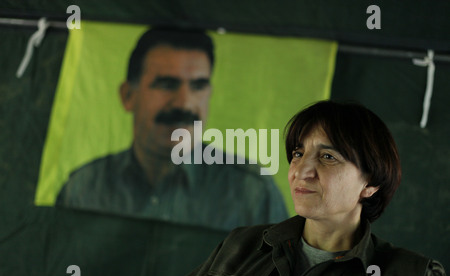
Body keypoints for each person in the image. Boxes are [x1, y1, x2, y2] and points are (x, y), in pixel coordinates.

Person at [154, 100, 449, 276]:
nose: (301, 171)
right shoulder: (242, 246)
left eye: (328, 157)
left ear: (370, 184)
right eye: (298, 153)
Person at [55, 27, 289, 231]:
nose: (184, 103)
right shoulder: (83, 190)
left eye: (198, 86)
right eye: (166, 84)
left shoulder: (252, 194)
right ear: (128, 96)